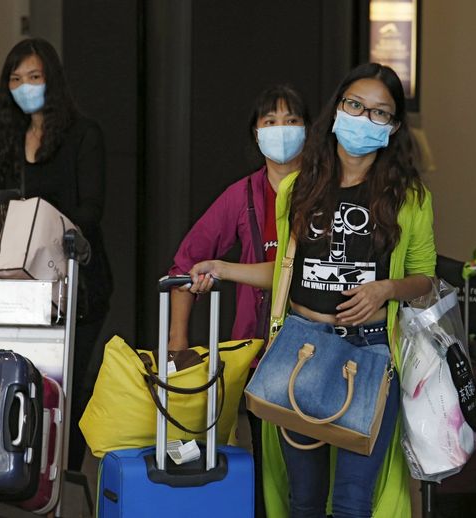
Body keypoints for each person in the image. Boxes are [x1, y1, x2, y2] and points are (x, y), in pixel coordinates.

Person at [188, 63, 436, 517]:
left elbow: (426, 279)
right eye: (355, 105)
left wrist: (386, 289)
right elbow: (286, 271)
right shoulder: (301, 188)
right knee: (303, 500)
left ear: (394, 127)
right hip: (301, 348)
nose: (364, 118)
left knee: (352, 501)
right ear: (337, 109)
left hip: (371, 352)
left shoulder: (410, 197)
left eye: (380, 113)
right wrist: (224, 268)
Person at [167, 84, 310, 518]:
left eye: (291, 121)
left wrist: (224, 270)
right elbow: (185, 263)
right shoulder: (242, 196)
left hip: (322, 350)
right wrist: (178, 344)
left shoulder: (325, 190)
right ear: (255, 133)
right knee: (271, 475)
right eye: (270, 122)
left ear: (309, 130)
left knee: (314, 477)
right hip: (260, 357)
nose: (280, 130)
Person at [0, 38, 113, 474]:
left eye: (34, 77)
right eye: (15, 79)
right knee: (19, 381)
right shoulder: (6, 137)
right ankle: (19, 476)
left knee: (65, 385)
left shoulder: (82, 133)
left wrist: (45, 232)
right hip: (16, 286)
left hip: (75, 282)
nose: (25, 87)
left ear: (51, 80)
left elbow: (91, 210)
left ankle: (64, 478)